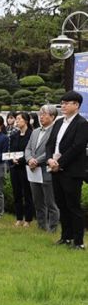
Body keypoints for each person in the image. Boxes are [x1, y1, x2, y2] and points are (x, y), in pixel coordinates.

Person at [46, 91, 88, 250]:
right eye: (62, 103)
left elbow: (77, 147)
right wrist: (50, 159)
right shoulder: (58, 122)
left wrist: (60, 162)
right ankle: (66, 236)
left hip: (71, 171)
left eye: (66, 103)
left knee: (73, 206)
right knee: (61, 204)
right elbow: (50, 143)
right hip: (55, 168)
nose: (62, 106)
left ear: (76, 105)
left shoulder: (82, 124)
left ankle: (79, 241)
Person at [25, 105, 59, 232]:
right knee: (38, 201)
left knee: (50, 202)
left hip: (46, 170)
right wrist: (29, 159)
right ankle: (41, 226)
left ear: (52, 117)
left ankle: (53, 228)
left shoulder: (55, 131)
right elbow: (28, 148)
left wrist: (37, 161)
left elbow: (52, 151)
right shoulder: (35, 131)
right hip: (33, 171)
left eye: (44, 114)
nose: (41, 117)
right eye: (40, 114)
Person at [8, 112, 34, 226]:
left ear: (26, 121)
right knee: (16, 193)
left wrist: (22, 160)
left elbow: (32, 151)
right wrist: (12, 159)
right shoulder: (14, 135)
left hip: (26, 167)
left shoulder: (32, 134)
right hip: (15, 167)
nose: (17, 121)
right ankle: (19, 218)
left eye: (19, 119)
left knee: (27, 193)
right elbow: (11, 150)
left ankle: (28, 219)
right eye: (16, 119)